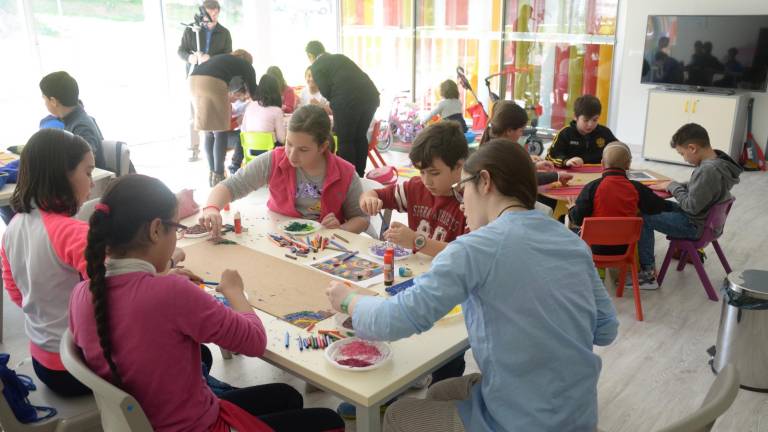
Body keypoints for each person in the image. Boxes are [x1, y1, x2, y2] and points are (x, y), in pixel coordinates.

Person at [326, 139, 619, 431]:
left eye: (462, 190)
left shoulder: (475, 247)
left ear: (485, 181)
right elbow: (606, 330)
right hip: (577, 413)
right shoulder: (571, 241)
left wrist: (348, 300)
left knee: (397, 415)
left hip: (524, 420)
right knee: (440, 392)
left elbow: (396, 320)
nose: (461, 202)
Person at [68, 174, 345, 432]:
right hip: (198, 425)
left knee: (286, 396)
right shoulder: (171, 293)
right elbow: (255, 341)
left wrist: (162, 276)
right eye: (175, 227)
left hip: (153, 420)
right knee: (330, 420)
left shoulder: (81, 295)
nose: (176, 236)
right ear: (155, 230)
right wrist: (235, 291)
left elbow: (137, 314)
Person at [1, 129, 95, 397]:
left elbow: (17, 295)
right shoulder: (72, 232)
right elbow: (118, 296)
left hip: (44, 363)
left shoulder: (13, 227)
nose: (91, 183)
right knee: (192, 353)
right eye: (87, 173)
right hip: (80, 369)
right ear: (62, 175)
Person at [200, 105, 369, 236]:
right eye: (289, 144)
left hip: (323, 245)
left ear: (323, 147)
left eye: (303, 150)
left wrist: (340, 229)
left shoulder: (345, 172)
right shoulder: (275, 160)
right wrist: (212, 208)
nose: (292, 156)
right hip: (279, 238)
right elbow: (232, 186)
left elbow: (361, 218)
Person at [638, 123, 742, 289]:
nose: (684, 158)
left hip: (694, 225)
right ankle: (645, 256)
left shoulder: (708, 170)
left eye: (682, 153)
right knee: (659, 205)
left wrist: (673, 186)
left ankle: (647, 275)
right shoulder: (719, 163)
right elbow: (703, 188)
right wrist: (675, 185)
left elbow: (691, 206)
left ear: (692, 148)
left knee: (642, 219)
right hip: (707, 222)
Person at [359, 121, 468, 257]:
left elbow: (465, 253)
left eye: (434, 173)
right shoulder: (416, 188)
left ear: (459, 166)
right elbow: (374, 194)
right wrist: (369, 199)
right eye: (421, 172)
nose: (427, 181)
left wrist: (415, 241)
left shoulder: (470, 202)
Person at [568, 142, 671, 255]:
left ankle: (594, 269)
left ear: (602, 163)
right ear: (628, 165)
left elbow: (577, 219)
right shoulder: (637, 188)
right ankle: (645, 266)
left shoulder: (592, 187)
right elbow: (657, 207)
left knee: (569, 222)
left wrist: (572, 208)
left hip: (593, 249)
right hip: (625, 248)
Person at [306, 40, 380, 176]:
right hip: (370, 97)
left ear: (310, 55)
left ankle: (349, 178)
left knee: (346, 140)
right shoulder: (339, 58)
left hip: (347, 102)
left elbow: (326, 91)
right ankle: (359, 174)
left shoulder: (316, 66)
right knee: (359, 137)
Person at [190, 49, 258, 186]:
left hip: (193, 81)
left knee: (209, 131)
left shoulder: (223, 59)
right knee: (221, 130)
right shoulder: (247, 66)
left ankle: (212, 174)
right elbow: (254, 93)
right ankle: (219, 175)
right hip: (212, 83)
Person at [178, 0, 233, 161]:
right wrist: (190, 57)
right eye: (210, 13)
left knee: (215, 121)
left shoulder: (224, 33)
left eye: (216, 13)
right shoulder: (191, 30)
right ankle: (193, 148)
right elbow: (181, 50)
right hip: (195, 78)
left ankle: (216, 163)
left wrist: (212, 58)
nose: (214, 16)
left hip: (215, 80)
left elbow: (229, 56)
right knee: (194, 115)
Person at [480, 100, 572, 186]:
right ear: (509, 131)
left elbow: (516, 170)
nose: (521, 135)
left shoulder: (495, 147)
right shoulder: (500, 153)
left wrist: (535, 166)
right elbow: (523, 178)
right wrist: (557, 176)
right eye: (521, 130)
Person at [39, 71, 105, 169]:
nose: (44, 103)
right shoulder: (69, 119)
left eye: (44, 99)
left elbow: (85, 162)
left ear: (53, 101)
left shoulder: (81, 126)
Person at [545, 95, 618, 168]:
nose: (590, 124)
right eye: (586, 120)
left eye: (595, 120)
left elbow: (618, 149)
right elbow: (550, 156)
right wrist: (566, 161)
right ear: (575, 117)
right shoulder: (565, 133)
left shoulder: (604, 132)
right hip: (572, 175)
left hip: (598, 174)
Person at [241, 74, 287, 148]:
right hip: (269, 155)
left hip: (250, 151)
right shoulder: (277, 111)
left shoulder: (250, 105)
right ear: (276, 91)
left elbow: (243, 129)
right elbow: (282, 139)